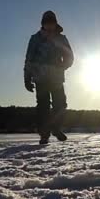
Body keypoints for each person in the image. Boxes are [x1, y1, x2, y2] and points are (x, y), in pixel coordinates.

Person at [24, 10, 74, 144]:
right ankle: (44, 134)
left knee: (60, 104)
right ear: (43, 24)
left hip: (57, 78)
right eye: (47, 23)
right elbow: (29, 59)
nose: (49, 26)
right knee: (43, 106)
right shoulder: (35, 38)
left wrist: (63, 65)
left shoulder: (61, 39)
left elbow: (69, 56)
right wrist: (27, 77)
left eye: (52, 23)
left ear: (55, 23)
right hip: (40, 78)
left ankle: (56, 128)